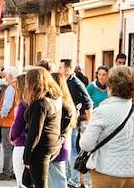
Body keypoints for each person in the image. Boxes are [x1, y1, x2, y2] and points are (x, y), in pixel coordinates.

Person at [80, 66, 134, 188]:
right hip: (131, 172)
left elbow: (87, 145)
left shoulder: (102, 111)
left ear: (110, 87)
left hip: (107, 171)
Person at [23, 67, 63, 188]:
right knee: (27, 181)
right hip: (51, 144)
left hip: (41, 148)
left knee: (40, 184)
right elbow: (68, 114)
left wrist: (26, 157)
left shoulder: (40, 103)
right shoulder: (54, 99)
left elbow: (35, 132)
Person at [59, 58, 93, 187]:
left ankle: (74, 180)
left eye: (61, 67)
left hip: (72, 123)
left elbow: (88, 103)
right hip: (64, 122)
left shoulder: (76, 83)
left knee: (72, 149)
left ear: (68, 69)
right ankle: (69, 178)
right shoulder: (64, 81)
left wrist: (90, 124)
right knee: (67, 149)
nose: (59, 70)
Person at [49, 72, 77, 188]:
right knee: (58, 178)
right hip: (63, 145)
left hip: (58, 146)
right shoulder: (68, 102)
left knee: (58, 180)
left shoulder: (61, 104)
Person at [0, 66, 18, 181]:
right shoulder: (18, 86)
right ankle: (14, 171)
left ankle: (6, 172)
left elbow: (7, 106)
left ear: (10, 76)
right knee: (13, 148)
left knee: (7, 148)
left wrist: (1, 115)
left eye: (6, 76)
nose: (5, 78)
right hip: (14, 121)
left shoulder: (10, 88)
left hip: (7, 122)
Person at [10, 74, 27, 188]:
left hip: (21, 143)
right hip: (27, 143)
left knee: (21, 182)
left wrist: (12, 136)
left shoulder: (23, 104)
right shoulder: (31, 103)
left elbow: (17, 125)